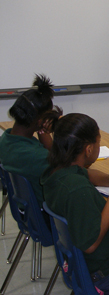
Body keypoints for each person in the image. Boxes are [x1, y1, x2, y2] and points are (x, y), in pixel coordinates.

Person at [41, 113, 109, 295]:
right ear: (89, 149)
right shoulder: (77, 190)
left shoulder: (58, 172)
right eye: (99, 143)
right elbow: (90, 244)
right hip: (108, 274)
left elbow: (87, 174)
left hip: (88, 264)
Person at [0, 74, 62, 207]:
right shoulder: (37, 156)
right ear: (41, 121)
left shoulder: (6, 139)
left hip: (28, 215)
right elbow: (65, 167)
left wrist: (42, 130)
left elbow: (52, 157)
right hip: (48, 217)